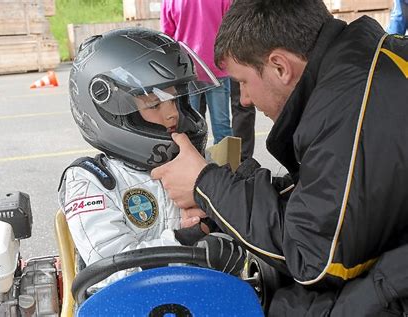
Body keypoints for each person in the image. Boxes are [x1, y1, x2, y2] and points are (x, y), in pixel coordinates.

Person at [151, 0, 408, 315]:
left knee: (278, 305)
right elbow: (325, 194)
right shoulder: (362, 66)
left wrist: (206, 185)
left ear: (280, 67)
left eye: (243, 81)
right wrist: (221, 198)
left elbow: (313, 259)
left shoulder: (353, 107)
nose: (243, 99)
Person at [57, 28, 244, 287]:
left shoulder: (195, 165)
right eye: (154, 104)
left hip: (198, 296)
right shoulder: (91, 180)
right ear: (113, 112)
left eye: (176, 100)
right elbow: (111, 269)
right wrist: (188, 239)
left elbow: (240, 234)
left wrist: (220, 232)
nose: (172, 116)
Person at [161, 0, 233, 144]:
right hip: (217, 66)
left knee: (188, 126)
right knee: (222, 126)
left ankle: (193, 164)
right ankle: (227, 165)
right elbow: (230, 28)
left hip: (185, 69)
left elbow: (166, 37)